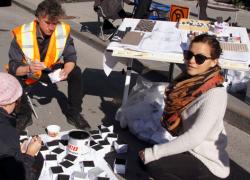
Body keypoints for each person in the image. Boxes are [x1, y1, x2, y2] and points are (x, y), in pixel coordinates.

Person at [138, 34, 230, 180]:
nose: (192, 61)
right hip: (191, 151)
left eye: (200, 58)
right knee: (145, 161)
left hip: (208, 162)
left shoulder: (215, 94)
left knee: (152, 162)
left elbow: (194, 137)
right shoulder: (189, 82)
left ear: (213, 62)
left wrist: (154, 152)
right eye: (189, 55)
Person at [8, 0, 90, 131]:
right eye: (47, 23)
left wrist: (67, 71)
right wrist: (28, 68)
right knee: (12, 78)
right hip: (28, 73)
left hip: (49, 72)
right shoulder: (22, 34)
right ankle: (24, 114)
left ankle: (74, 112)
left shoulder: (62, 31)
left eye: (55, 23)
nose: (51, 28)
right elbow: (13, 66)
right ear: (37, 18)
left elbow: (70, 56)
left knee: (75, 71)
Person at [0, 72, 43, 180]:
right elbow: (21, 176)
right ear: (8, 102)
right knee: (39, 159)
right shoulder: (6, 131)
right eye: (17, 101)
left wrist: (15, 150)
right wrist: (29, 154)